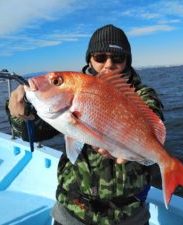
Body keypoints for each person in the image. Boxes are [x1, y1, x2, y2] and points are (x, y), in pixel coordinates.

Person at [7, 24, 165, 225]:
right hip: (73, 211)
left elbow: (153, 118)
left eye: (117, 58)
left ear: (127, 61)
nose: (108, 64)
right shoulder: (73, 93)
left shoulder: (142, 95)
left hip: (127, 215)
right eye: (100, 57)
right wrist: (20, 117)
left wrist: (125, 146)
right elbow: (34, 133)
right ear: (90, 58)